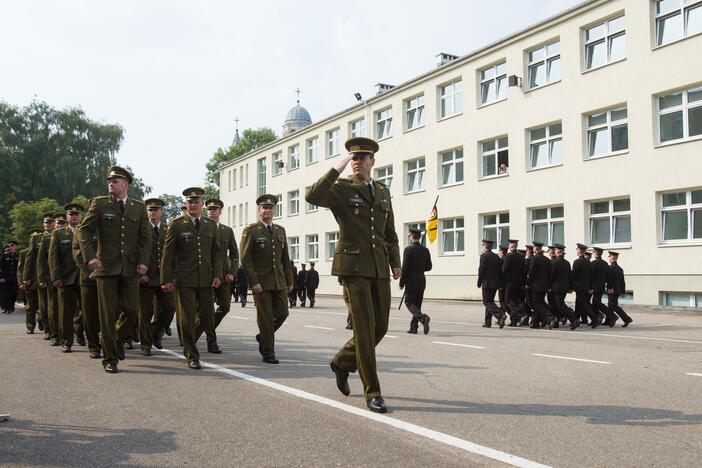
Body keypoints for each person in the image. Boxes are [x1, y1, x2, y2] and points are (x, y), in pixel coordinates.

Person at [306, 136, 401, 414]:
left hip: (378, 267)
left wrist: (395, 261)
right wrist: (339, 166)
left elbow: (390, 232)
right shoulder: (342, 189)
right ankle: (373, 392)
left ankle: (341, 362)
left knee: (379, 327)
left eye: (362, 157)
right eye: (354, 157)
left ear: (373, 161)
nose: (358, 161)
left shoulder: (383, 191)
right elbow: (313, 195)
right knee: (363, 329)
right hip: (353, 269)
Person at [77, 166, 152, 373]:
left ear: (125, 184)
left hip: (130, 268)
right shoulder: (99, 204)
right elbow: (84, 231)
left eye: (115, 180)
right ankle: (109, 358)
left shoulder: (138, 207)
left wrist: (144, 262)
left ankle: (114, 341)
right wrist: (90, 257)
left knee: (132, 311)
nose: (111, 183)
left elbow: (147, 238)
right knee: (107, 315)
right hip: (106, 268)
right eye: (109, 180)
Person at [161, 188, 222, 369]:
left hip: (205, 278)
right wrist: (166, 278)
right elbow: (168, 254)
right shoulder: (177, 224)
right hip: (184, 278)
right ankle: (192, 354)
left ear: (202, 204)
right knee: (187, 317)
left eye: (196, 202)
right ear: (186, 205)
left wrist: (217, 274)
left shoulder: (210, 225)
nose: (193, 205)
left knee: (207, 315)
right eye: (190, 202)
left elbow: (216, 253)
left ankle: (189, 341)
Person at [239, 194, 294, 364]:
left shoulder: (280, 230)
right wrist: (253, 282)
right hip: (261, 283)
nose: (267, 210)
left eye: (270, 208)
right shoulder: (251, 230)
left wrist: (290, 280)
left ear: (274, 210)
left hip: (279, 281)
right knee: (265, 317)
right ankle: (268, 352)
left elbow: (285, 258)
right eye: (264, 207)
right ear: (259, 210)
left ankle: (263, 336)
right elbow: (245, 259)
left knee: (283, 313)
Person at [197, 198, 239, 354]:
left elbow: (235, 255)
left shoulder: (227, 230)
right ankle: (211, 342)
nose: (212, 211)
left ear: (220, 211)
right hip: (206, 275)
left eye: (215, 209)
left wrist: (232, 272)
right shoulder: (200, 227)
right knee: (206, 310)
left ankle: (200, 329)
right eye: (209, 209)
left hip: (223, 275)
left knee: (225, 307)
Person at [137, 199, 175, 355]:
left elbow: (173, 255)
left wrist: (171, 277)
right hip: (145, 277)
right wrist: (139, 274)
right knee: (145, 313)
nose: (152, 212)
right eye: (150, 210)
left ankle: (155, 332)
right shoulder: (141, 229)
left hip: (163, 277)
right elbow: (134, 252)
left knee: (169, 308)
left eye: (155, 210)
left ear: (161, 212)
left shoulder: (167, 230)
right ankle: (146, 345)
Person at [48, 204, 84, 352]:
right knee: (65, 312)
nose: (73, 216)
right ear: (67, 217)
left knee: (87, 310)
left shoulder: (87, 231)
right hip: (65, 278)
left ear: (81, 216)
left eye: (76, 214)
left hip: (84, 277)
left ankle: (79, 329)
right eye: (71, 214)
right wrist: (55, 277)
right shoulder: (58, 234)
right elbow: (53, 257)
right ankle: (66, 341)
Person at [72, 215, 101, 359]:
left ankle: (113, 341)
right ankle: (94, 345)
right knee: (90, 313)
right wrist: (91, 271)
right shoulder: (81, 230)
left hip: (108, 276)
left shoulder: (109, 227)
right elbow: (77, 253)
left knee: (115, 310)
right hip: (88, 278)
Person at [399, 229, 432, 334]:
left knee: (409, 303)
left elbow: (404, 268)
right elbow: (429, 267)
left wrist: (401, 283)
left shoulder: (408, 250)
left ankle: (423, 318)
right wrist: (419, 268)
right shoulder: (425, 250)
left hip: (411, 281)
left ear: (412, 237)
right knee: (417, 304)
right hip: (421, 281)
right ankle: (414, 328)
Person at [37, 213, 60, 346]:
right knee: (48, 306)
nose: (48, 224)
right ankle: (50, 330)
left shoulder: (65, 236)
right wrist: (41, 278)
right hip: (48, 277)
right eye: (46, 222)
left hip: (65, 277)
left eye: (50, 222)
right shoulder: (40, 239)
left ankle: (63, 330)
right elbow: (39, 261)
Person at [550, 244, 579, 330]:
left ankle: (574, 319)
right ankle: (556, 323)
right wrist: (570, 287)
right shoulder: (567, 263)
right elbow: (570, 276)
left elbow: (552, 276)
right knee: (557, 304)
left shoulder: (555, 262)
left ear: (557, 252)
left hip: (557, 287)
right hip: (564, 287)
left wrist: (549, 285)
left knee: (560, 305)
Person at [478, 239, 506, 329]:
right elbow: (500, 271)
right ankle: (487, 322)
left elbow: (481, 270)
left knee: (487, 302)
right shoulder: (496, 257)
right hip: (495, 283)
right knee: (490, 301)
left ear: (485, 246)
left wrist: (479, 281)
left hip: (487, 283)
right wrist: (500, 283)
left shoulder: (484, 256)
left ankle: (500, 314)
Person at [573, 243, 601, 328]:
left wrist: (571, 285)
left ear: (579, 251)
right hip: (587, 286)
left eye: (577, 249)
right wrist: (591, 287)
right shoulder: (589, 262)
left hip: (579, 286)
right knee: (579, 303)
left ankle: (595, 319)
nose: (576, 251)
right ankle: (576, 320)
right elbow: (591, 276)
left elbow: (574, 275)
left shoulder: (577, 262)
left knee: (583, 303)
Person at [23, 229, 45, 336]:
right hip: (31, 280)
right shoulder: (24, 252)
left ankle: (42, 320)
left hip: (43, 278)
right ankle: (30, 326)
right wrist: (24, 279)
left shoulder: (45, 244)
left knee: (44, 305)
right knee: (31, 305)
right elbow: (24, 266)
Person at [527, 241, 553, 329]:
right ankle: (535, 323)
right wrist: (549, 286)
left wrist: (528, 283)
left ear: (535, 248)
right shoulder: (547, 260)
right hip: (544, 286)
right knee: (539, 302)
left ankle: (550, 316)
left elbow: (531, 273)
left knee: (537, 303)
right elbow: (550, 275)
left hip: (536, 285)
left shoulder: (534, 259)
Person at [591, 247, 617, 327]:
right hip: (601, 286)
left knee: (597, 303)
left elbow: (591, 276)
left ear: (595, 253)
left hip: (594, 286)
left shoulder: (593, 263)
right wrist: (609, 287)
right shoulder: (605, 264)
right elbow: (608, 277)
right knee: (595, 303)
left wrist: (590, 286)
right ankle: (595, 319)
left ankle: (612, 316)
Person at [501, 239, 524, 326]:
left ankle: (521, 313)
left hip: (509, 283)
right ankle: (514, 321)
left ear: (510, 247)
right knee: (515, 301)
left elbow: (504, 270)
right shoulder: (521, 257)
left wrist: (502, 282)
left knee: (508, 301)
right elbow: (523, 271)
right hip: (519, 282)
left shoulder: (508, 256)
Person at [606, 251, 632, 327]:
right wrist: (623, 291)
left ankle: (626, 319)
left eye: (609, 256)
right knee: (611, 305)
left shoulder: (610, 268)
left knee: (613, 305)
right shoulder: (620, 268)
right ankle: (609, 321)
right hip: (618, 290)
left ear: (611, 257)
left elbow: (610, 280)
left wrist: (610, 288)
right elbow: (622, 281)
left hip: (612, 290)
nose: (609, 258)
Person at [0, 241, 20, 314]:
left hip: (15, 278)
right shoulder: (4, 256)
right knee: (6, 293)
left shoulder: (18, 256)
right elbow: (1, 267)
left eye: (13, 245)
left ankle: (11, 306)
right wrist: (1, 277)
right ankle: (5, 307)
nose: (11, 247)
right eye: (10, 246)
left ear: (16, 247)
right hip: (6, 278)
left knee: (14, 293)